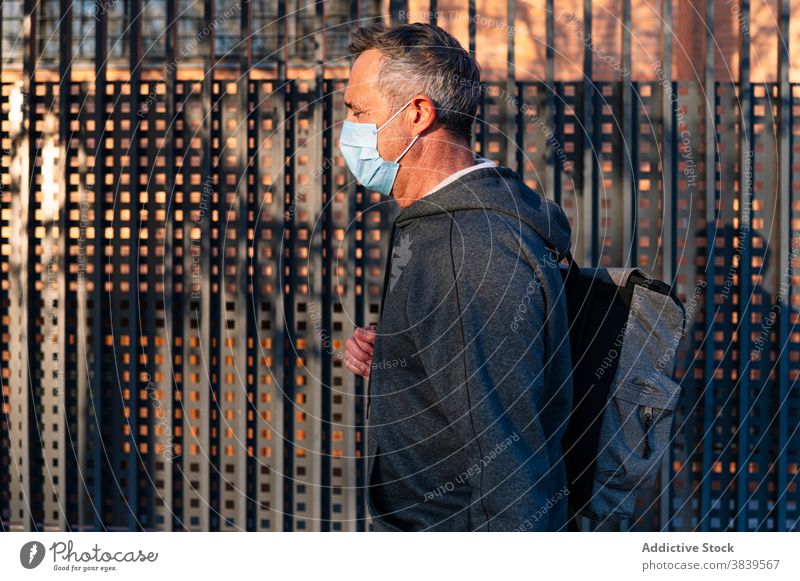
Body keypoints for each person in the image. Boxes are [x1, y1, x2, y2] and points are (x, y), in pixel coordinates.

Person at [341, 22, 574, 532]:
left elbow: (510, 456)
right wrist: (403, 357)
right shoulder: (449, 224)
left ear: (418, 114)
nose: (349, 129)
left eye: (358, 111)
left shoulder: (469, 248)